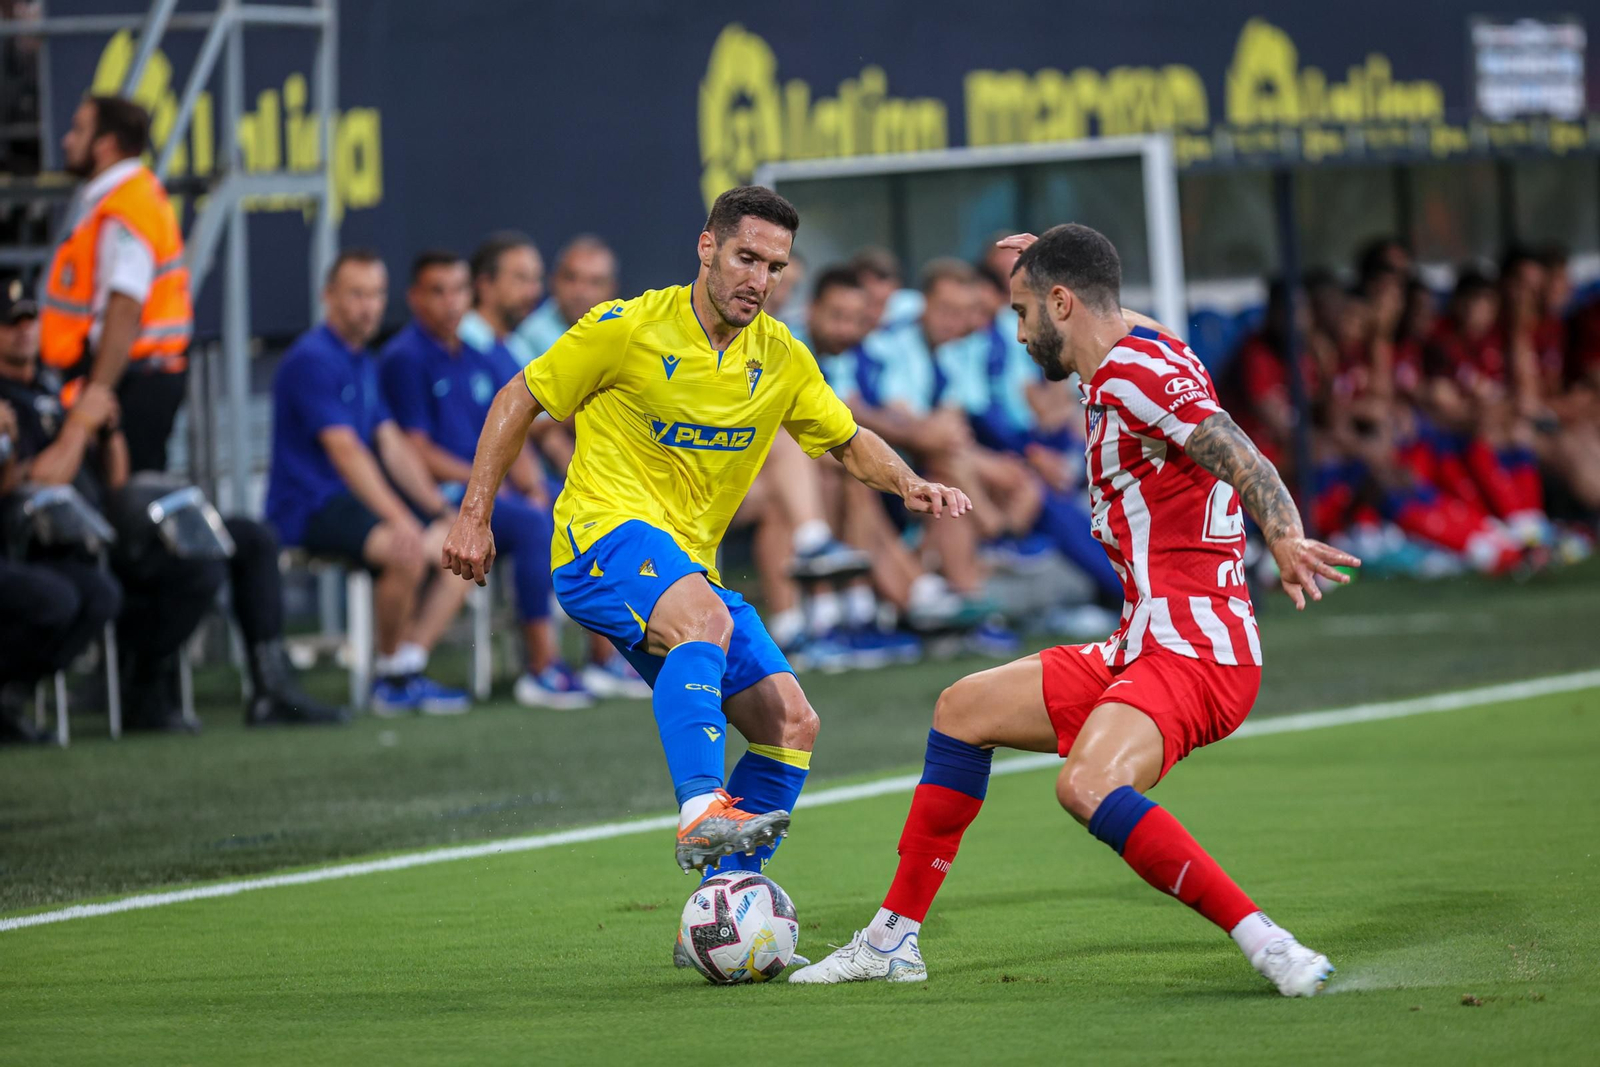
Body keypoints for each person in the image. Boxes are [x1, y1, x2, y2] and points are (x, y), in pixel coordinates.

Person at [790, 224, 1359, 997]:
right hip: (1146, 639)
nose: (1020, 333)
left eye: (1024, 312)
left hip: (1196, 651)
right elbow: (1119, 313)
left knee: (1085, 784)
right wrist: (1053, 250)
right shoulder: (1138, 349)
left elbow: (1240, 451)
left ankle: (1270, 944)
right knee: (963, 708)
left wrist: (1285, 534)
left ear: (1063, 303)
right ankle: (893, 940)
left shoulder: (1132, 376)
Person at [441, 186, 972, 896]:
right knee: (706, 618)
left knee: (792, 720)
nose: (759, 279)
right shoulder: (627, 327)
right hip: (599, 539)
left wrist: (907, 481)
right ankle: (700, 809)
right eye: (746, 257)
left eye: (775, 266)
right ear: (707, 247)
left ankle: (724, 901)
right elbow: (518, 397)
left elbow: (845, 438)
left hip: (687, 567)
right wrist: (475, 513)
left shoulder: (781, 355)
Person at [1, 280, 345, 729]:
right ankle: (137, 682)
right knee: (188, 569)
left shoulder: (52, 383)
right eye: (11, 325)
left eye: (30, 320)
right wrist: (79, 425)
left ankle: (270, 685)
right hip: (59, 540)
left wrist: (107, 432)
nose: (25, 332)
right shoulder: (7, 401)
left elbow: (115, 478)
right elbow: (35, 483)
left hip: (104, 517)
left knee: (250, 538)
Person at [265, 249, 471, 716]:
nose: (368, 306)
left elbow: (391, 443)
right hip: (307, 506)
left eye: (376, 294)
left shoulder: (363, 359)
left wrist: (438, 508)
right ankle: (388, 676)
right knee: (405, 548)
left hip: (349, 501)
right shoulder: (312, 358)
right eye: (356, 294)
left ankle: (405, 665)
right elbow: (347, 453)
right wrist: (401, 518)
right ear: (329, 297)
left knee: (461, 543)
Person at [381, 250, 589, 709]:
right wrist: (487, 481)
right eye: (438, 291)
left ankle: (605, 657)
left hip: (482, 490)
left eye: (458, 290)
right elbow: (416, 452)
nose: (451, 302)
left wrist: (530, 482)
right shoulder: (405, 357)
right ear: (414, 298)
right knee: (535, 524)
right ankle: (540, 667)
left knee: (588, 510)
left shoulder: (478, 352)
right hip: (438, 497)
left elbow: (510, 430)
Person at [460, 232, 651, 699]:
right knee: (558, 519)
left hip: (532, 473)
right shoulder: (495, 341)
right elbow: (535, 421)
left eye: (532, 279)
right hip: (482, 482)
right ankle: (546, 665)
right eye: (520, 278)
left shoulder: (506, 342)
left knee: (606, 513)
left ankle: (607, 657)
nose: (582, 291)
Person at [38, 95, 191, 473]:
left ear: (105, 145)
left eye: (78, 130)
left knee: (126, 499)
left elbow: (125, 307)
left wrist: (98, 392)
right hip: (136, 374)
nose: (67, 141)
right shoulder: (127, 196)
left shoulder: (126, 208)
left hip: (131, 381)